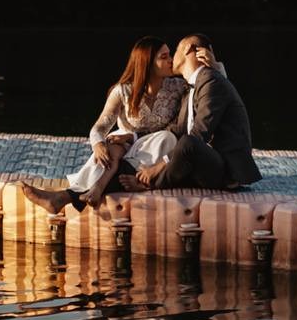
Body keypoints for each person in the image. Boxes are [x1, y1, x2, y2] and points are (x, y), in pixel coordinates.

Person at [20, 36, 186, 213]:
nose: (171, 60)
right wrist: (98, 144)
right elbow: (99, 127)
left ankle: (65, 196)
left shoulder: (178, 87)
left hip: (153, 151)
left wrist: (211, 64)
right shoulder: (123, 91)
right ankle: (73, 193)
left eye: (170, 55)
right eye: (164, 57)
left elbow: (182, 123)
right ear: (147, 64)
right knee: (110, 147)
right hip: (123, 147)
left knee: (167, 138)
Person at [127, 33, 261, 191]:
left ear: (187, 49)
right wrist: (134, 137)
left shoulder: (211, 81)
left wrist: (159, 166)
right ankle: (129, 173)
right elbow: (177, 129)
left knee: (188, 143)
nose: (172, 58)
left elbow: (200, 133)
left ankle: (151, 184)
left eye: (176, 50)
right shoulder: (190, 87)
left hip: (227, 169)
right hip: (203, 162)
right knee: (174, 139)